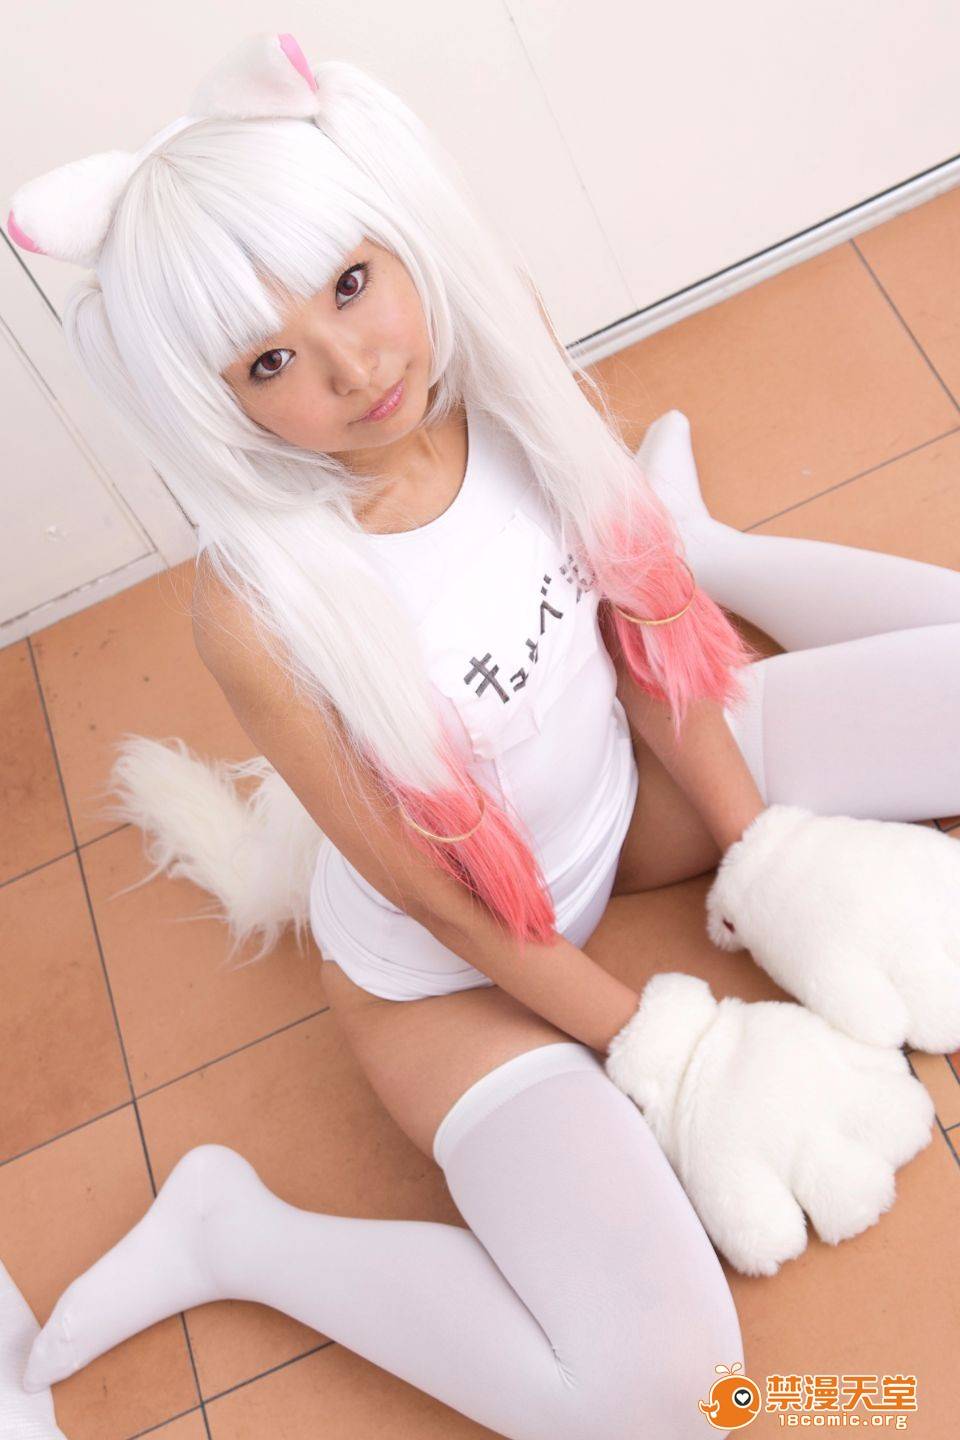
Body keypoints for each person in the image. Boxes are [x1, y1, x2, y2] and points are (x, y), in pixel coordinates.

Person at [6, 30, 960, 1440]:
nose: (353, 367)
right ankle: (235, 1235)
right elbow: (436, 894)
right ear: (217, 402)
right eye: (270, 360)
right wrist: (671, 1053)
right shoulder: (261, 613)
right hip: (450, 980)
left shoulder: (497, 352)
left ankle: (709, 538)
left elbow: (636, 622)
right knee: (667, 1397)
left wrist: (766, 849)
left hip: (620, 808)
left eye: (350, 282)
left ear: (394, 235)